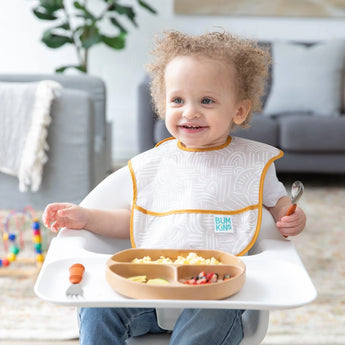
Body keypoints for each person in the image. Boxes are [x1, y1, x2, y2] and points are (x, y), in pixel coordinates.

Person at [43, 30, 306, 345]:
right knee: (98, 309)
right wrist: (86, 217)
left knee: (209, 316)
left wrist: (289, 216)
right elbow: (137, 220)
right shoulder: (155, 164)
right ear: (162, 103)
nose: (190, 111)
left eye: (206, 100)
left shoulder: (249, 164)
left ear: (238, 110)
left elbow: (278, 204)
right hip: (150, 295)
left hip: (216, 294)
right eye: (177, 100)